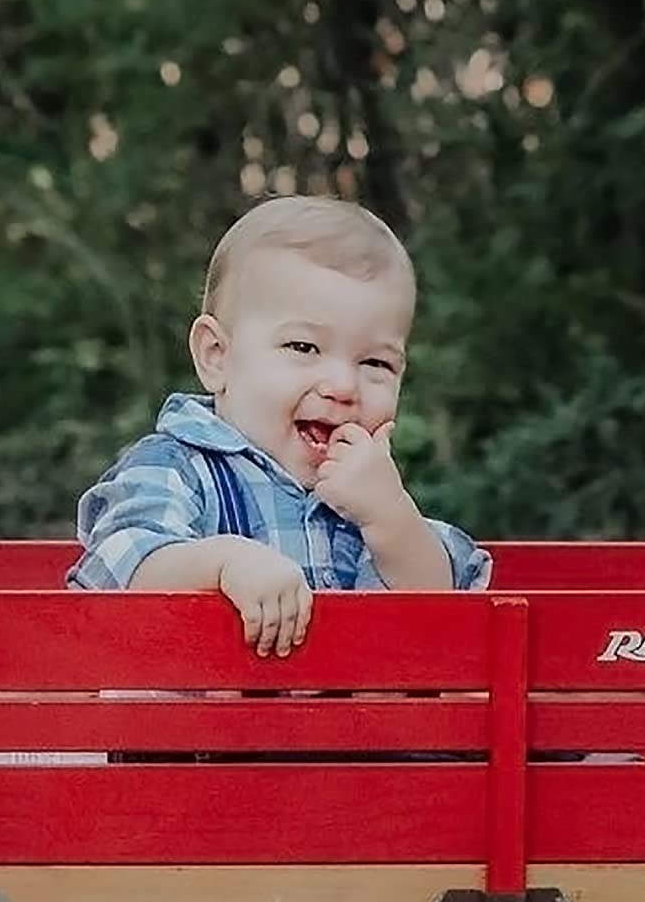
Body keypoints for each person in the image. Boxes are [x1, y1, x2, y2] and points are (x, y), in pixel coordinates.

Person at [69, 196, 489, 650]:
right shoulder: (177, 466)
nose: (344, 385)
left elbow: (445, 622)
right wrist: (224, 564)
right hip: (189, 721)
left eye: (375, 363)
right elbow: (117, 567)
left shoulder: (369, 502)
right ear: (217, 357)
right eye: (303, 348)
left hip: (343, 723)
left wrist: (393, 520)